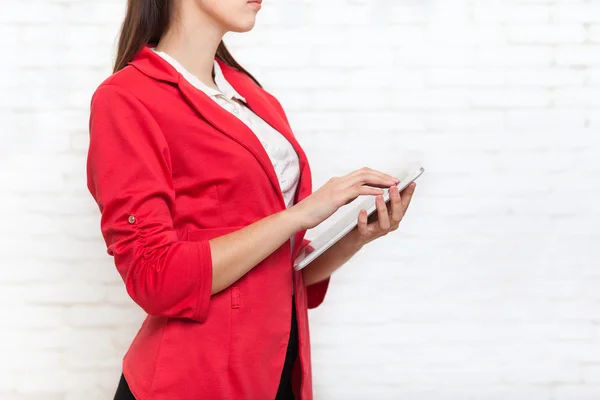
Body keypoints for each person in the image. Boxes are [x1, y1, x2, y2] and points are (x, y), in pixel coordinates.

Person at [86, 0, 417, 399]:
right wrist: (300, 215)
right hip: (196, 381)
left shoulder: (251, 95)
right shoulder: (126, 98)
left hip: (276, 371)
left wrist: (356, 236)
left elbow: (279, 272)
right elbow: (154, 278)